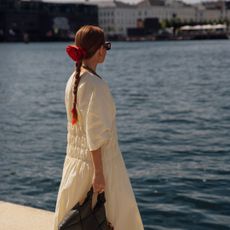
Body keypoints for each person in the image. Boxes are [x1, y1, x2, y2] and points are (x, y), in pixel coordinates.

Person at [53, 25, 144, 230]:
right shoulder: (96, 86)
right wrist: (99, 173)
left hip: (76, 165)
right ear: (100, 50)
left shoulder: (74, 80)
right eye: (106, 46)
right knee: (114, 221)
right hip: (99, 165)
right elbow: (95, 135)